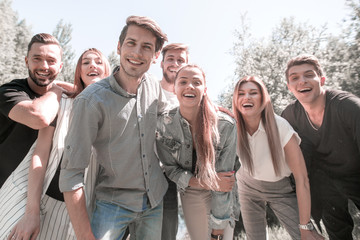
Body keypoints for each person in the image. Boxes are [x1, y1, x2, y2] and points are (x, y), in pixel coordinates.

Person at [59, 15, 169, 240]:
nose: (137, 53)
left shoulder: (153, 87)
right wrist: (85, 236)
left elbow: (176, 110)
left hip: (155, 201)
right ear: (119, 47)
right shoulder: (91, 101)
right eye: (131, 43)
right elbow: (71, 175)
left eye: (147, 47)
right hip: (113, 204)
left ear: (156, 56)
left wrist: (210, 106)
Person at [0, 48, 110, 240]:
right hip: (39, 200)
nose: (92, 64)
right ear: (79, 72)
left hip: (80, 212)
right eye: (86, 62)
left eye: (99, 62)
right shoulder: (61, 103)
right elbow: (39, 154)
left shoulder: (117, 115)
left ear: (107, 71)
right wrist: (32, 212)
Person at [232, 76, 324, 240]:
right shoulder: (232, 127)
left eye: (253, 93)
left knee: (306, 236)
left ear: (263, 98)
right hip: (247, 185)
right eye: (241, 93)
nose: (246, 97)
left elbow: (302, 179)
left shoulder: (280, 126)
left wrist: (305, 227)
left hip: (280, 188)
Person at [156, 64, 239, 240]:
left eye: (196, 82)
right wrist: (206, 183)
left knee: (222, 236)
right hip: (191, 188)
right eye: (183, 81)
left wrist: (217, 231)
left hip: (223, 193)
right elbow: (171, 170)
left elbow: (223, 180)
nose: (190, 86)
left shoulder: (225, 125)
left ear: (205, 89)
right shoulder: (164, 124)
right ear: (174, 88)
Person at [281, 54, 360, 240]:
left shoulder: (347, 106)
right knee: (338, 232)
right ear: (289, 87)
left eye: (309, 75)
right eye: (295, 78)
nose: (302, 81)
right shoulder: (290, 116)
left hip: (357, 173)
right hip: (325, 181)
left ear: (322, 80)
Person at [0, 33, 70, 187]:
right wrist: (56, 90)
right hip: (5, 191)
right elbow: (39, 117)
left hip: (44, 193)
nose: (44, 66)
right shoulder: (9, 92)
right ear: (27, 61)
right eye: (37, 58)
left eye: (51, 61)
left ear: (60, 66)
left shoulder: (67, 100)